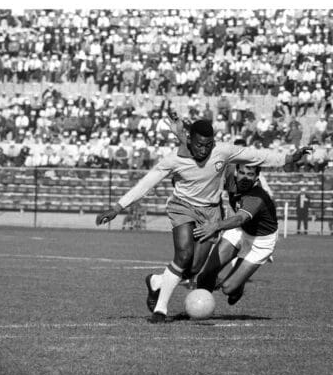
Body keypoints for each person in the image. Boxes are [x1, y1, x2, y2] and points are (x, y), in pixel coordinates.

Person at [95, 118, 310, 322]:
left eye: (208, 145)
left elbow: (257, 156)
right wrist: (117, 207)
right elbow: (146, 183)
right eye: (199, 145)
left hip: (212, 213)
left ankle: (156, 281)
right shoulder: (173, 160)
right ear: (189, 141)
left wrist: (289, 158)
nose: (204, 150)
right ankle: (160, 310)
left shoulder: (223, 152)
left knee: (195, 268)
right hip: (183, 208)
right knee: (184, 255)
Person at [192, 163, 279, 306]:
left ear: (257, 177)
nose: (245, 177)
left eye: (250, 174)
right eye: (242, 172)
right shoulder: (230, 178)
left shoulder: (257, 197)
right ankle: (199, 306)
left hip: (260, 243)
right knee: (206, 275)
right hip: (239, 230)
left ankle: (238, 287)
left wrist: (215, 226)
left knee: (228, 288)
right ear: (236, 172)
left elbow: (239, 218)